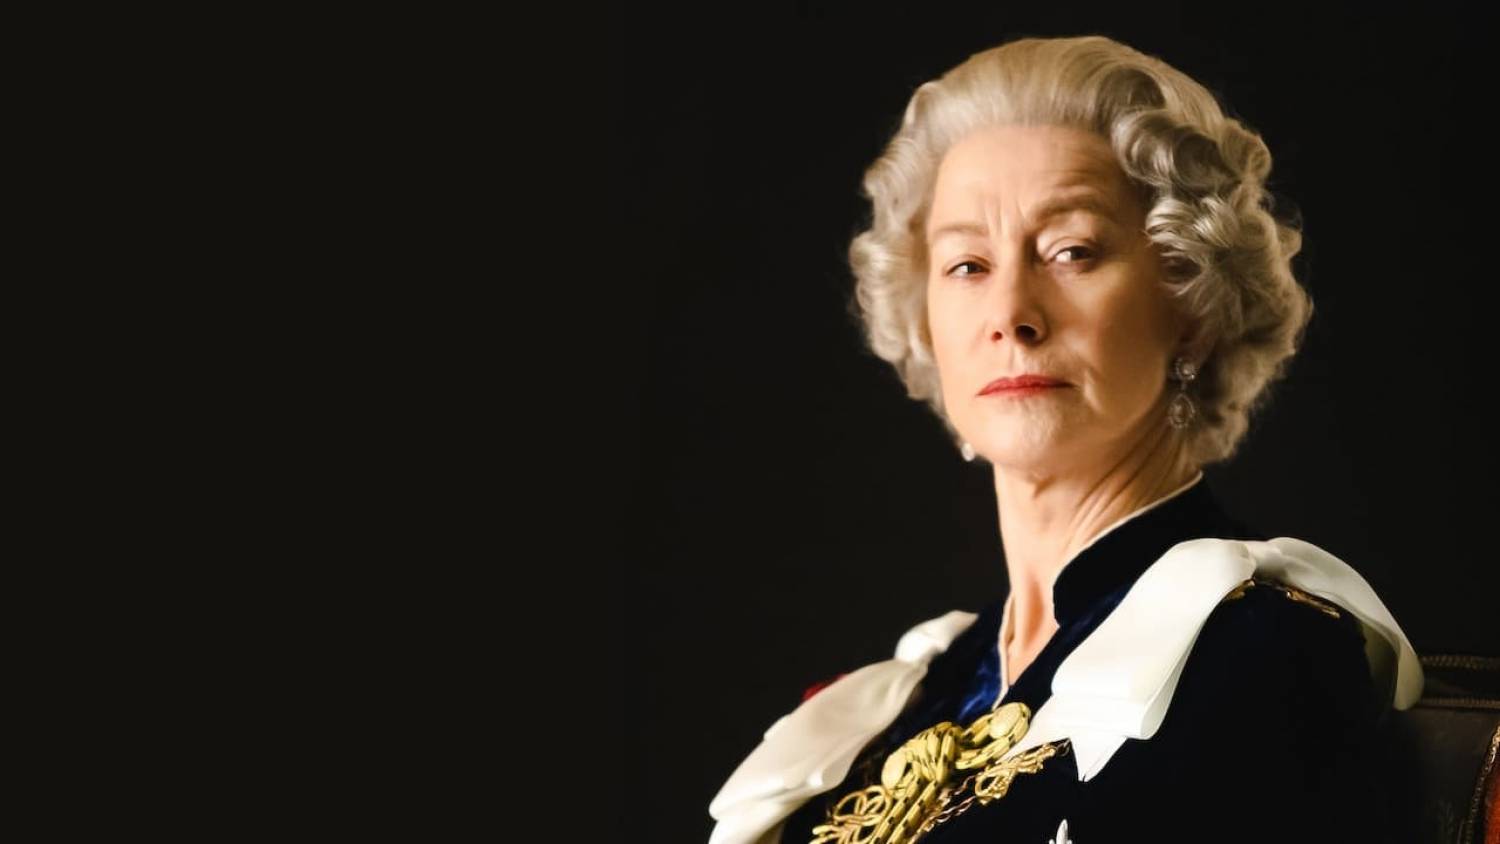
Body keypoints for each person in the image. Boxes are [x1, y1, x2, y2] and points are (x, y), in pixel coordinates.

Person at [706, 34, 1424, 844]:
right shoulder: (912, 694)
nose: (1011, 313)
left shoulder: (1261, 655)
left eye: (1070, 252)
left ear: (1190, 306)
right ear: (926, 326)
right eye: (967, 265)